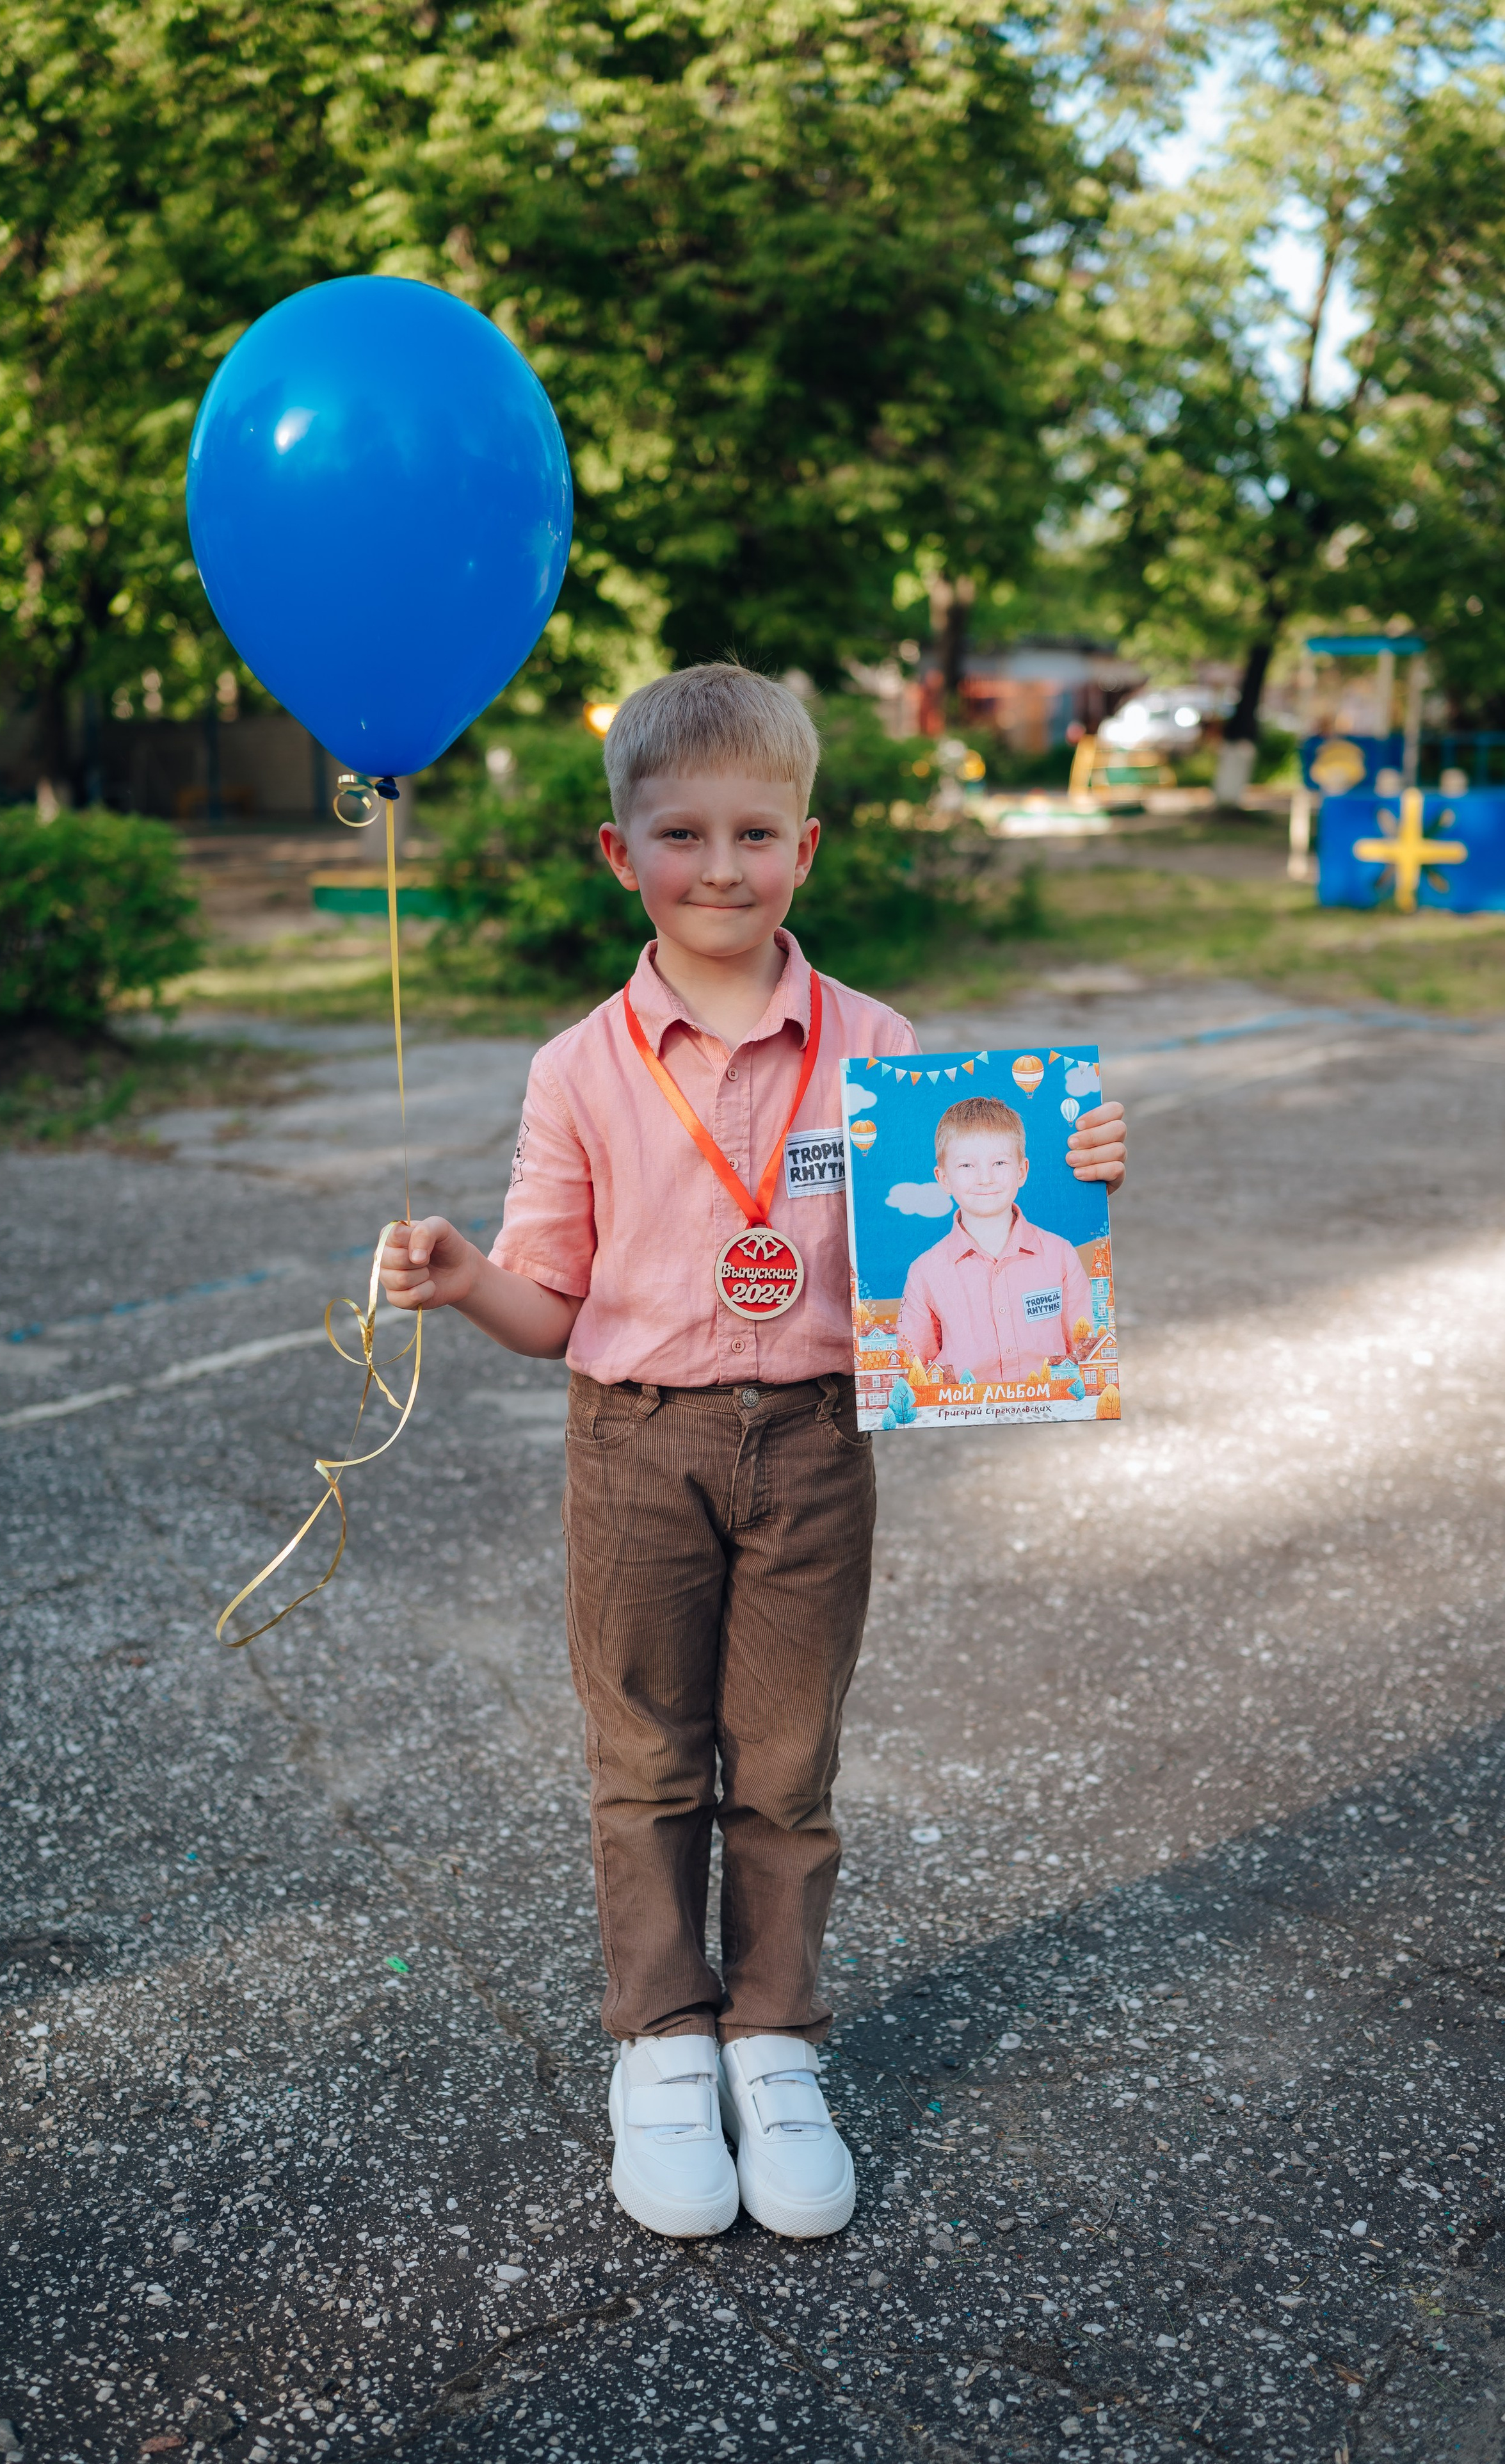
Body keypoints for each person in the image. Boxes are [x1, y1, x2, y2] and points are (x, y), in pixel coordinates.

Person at [379, 666, 1127, 2241]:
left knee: (785, 1756)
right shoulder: (577, 1067)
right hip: (634, 1443)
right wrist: (463, 1279)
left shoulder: (874, 1043)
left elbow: (953, 1232)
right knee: (646, 1750)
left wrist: (1058, 1171)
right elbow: (549, 1299)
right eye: (681, 833)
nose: (719, 866)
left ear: (806, 844)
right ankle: (660, 2039)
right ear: (616, 848)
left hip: (813, 1438)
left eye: (755, 832)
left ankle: (772, 2034)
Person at [897, 1097, 1096, 1384]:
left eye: (999, 1162)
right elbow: (914, 1366)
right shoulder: (924, 1272)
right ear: (944, 1179)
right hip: (961, 1420)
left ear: (1022, 1171)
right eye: (966, 1165)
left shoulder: (1060, 1254)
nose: (985, 1178)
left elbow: (1084, 1346)